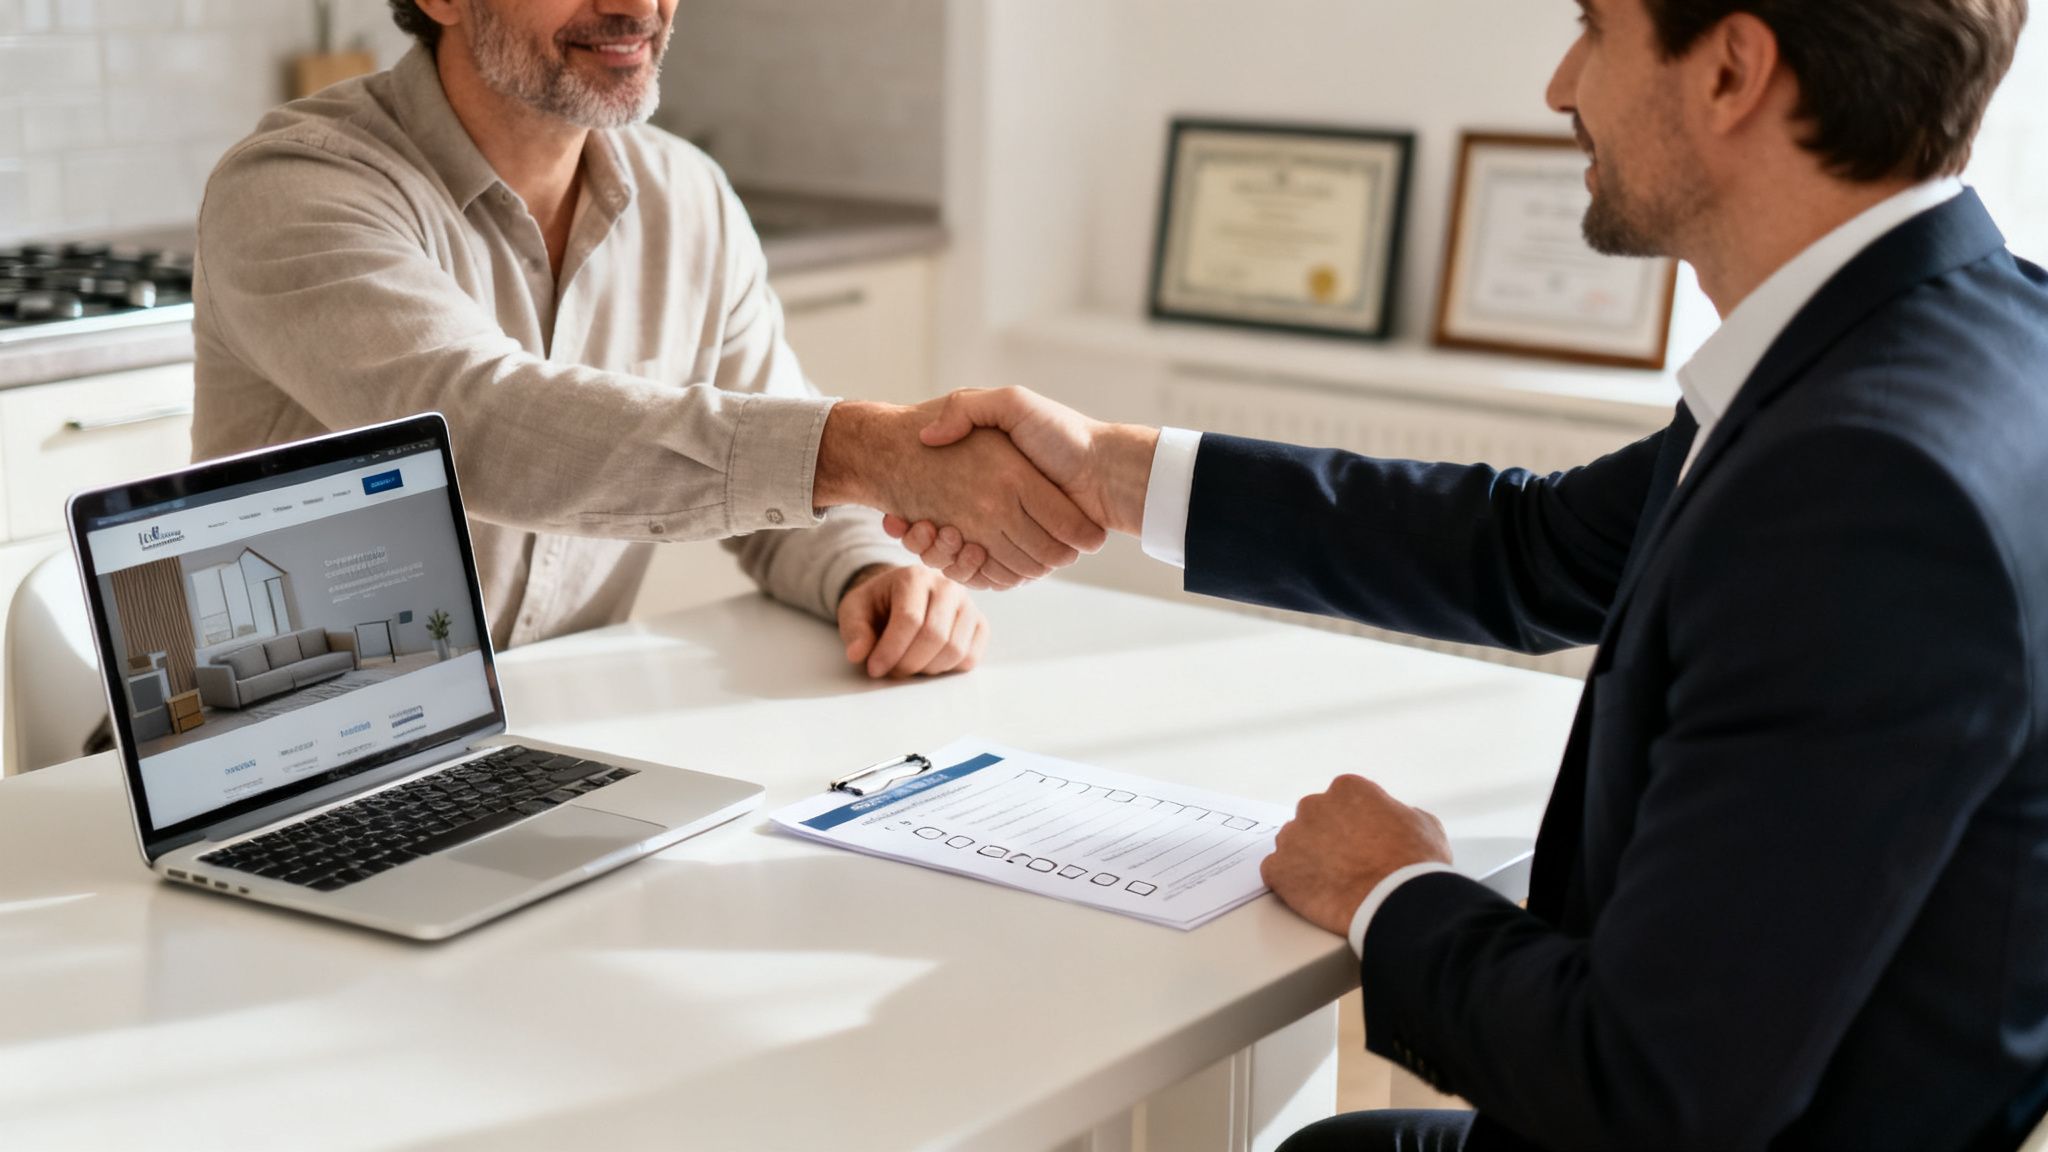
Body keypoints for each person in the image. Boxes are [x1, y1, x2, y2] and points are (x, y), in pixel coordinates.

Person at [885, 0, 2048, 1146]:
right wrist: (1108, 470)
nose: (1557, 86)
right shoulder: (1947, 335)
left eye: (1594, 26)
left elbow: (1651, 1092)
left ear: (1730, 71)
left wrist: (1391, 891)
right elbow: (1530, 550)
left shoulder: (1862, 490)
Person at [190, 0, 1104, 681]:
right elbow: (485, 427)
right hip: (282, 754)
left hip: (529, 747)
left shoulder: (690, 200)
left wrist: (869, 571)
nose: (637, 6)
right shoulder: (294, 189)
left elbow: (781, 489)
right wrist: (863, 449)